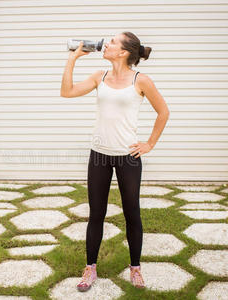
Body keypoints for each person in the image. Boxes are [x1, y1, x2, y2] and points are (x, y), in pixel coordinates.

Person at [60, 32, 170, 292]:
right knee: (96, 213)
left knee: (132, 213)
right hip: (99, 154)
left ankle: (135, 268)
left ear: (123, 52)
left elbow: (163, 112)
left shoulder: (141, 80)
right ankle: (90, 268)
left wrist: (150, 144)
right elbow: (66, 92)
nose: (105, 44)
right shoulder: (100, 76)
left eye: (112, 42)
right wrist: (72, 59)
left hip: (127, 157)